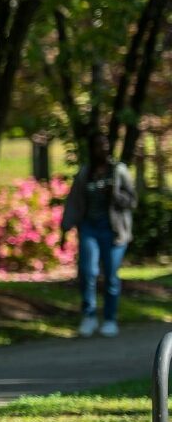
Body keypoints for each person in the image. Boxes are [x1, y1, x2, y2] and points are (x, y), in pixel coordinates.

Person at [61, 130, 138, 338]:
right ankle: (89, 315)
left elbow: (132, 201)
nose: (102, 149)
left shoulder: (119, 171)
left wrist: (115, 194)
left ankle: (110, 319)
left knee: (111, 275)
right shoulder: (85, 173)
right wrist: (65, 227)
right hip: (89, 228)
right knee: (88, 272)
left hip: (113, 231)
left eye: (105, 145)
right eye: (98, 146)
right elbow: (74, 202)